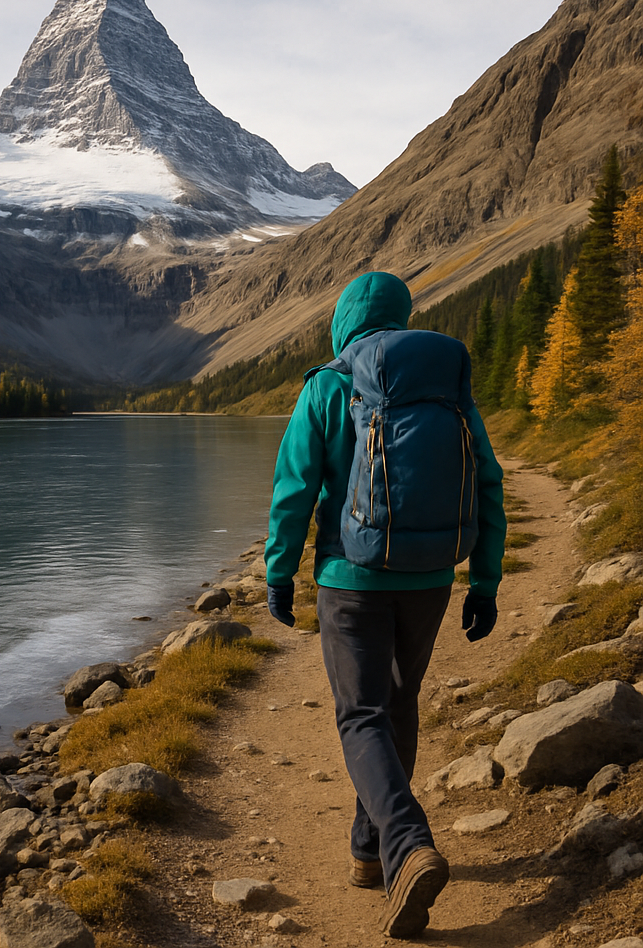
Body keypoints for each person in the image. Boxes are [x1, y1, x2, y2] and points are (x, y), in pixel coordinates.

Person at [264, 271, 506, 939]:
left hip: (351, 579)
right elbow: (488, 479)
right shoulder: (443, 388)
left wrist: (278, 572)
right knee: (397, 705)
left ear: (343, 319)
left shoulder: (328, 385)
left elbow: (294, 491)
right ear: (402, 316)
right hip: (428, 578)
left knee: (360, 714)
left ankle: (405, 844)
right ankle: (369, 853)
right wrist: (484, 581)